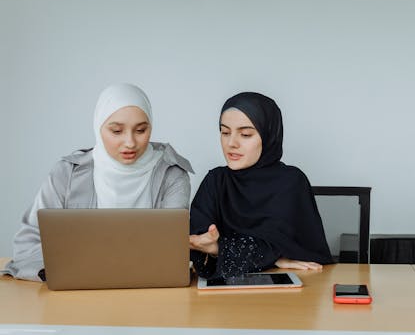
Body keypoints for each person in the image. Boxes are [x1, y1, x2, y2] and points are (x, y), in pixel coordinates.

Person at [2, 83, 193, 281]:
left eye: (140, 130)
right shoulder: (67, 173)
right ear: (98, 126)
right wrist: (58, 270)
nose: (130, 142)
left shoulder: (172, 174)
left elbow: (170, 249)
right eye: (117, 131)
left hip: (148, 289)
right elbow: (28, 241)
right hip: (78, 291)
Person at [189, 92, 333, 279]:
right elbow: (196, 245)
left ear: (268, 136)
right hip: (222, 298)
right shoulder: (216, 181)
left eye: (246, 134)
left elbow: (291, 246)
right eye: (225, 132)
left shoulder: (290, 182)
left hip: (286, 296)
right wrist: (270, 257)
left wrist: (220, 248)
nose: (231, 143)